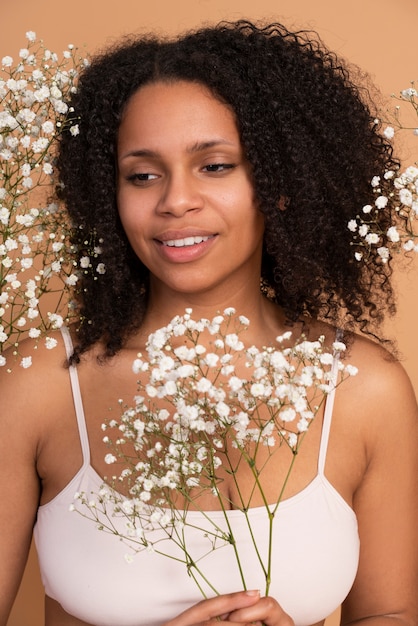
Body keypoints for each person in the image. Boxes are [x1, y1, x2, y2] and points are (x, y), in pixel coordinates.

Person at [0, 19, 417, 626]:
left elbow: (391, 613)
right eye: (142, 175)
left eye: (215, 166)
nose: (174, 200)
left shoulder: (364, 387)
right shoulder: (39, 383)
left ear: (278, 184)